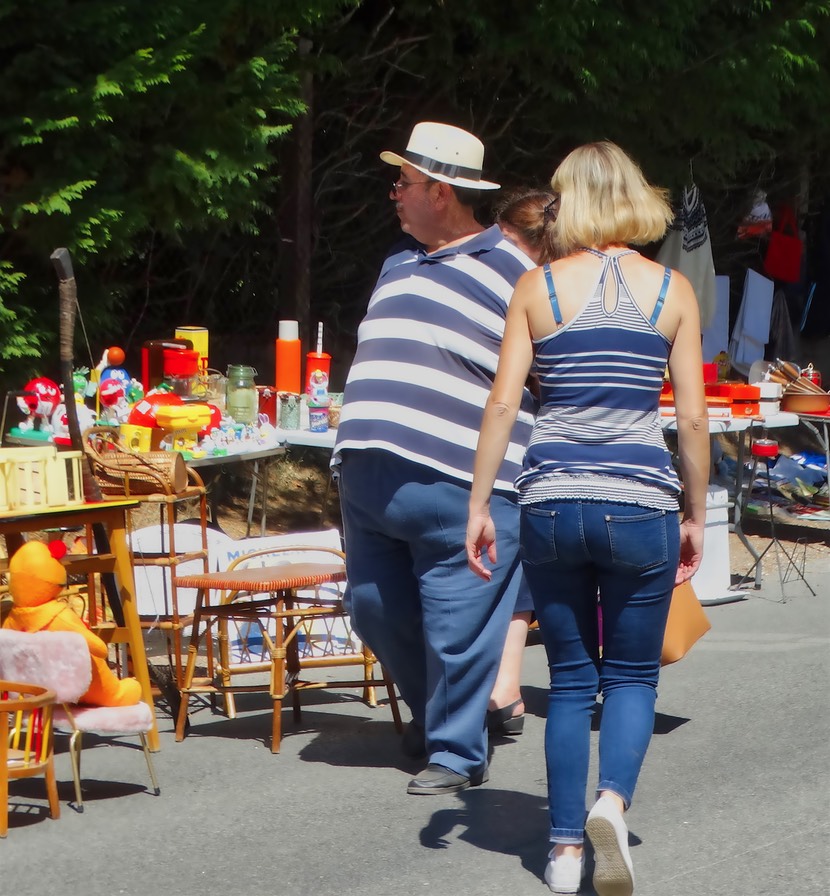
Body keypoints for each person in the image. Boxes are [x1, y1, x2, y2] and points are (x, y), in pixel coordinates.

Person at [466, 141, 709, 895]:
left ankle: (565, 848)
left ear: (570, 201)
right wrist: (696, 512)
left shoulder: (537, 287)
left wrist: (479, 503)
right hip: (639, 501)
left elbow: (504, 402)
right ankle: (611, 802)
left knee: (570, 680)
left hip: (550, 501)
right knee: (632, 676)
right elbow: (694, 421)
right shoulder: (673, 291)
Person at [332, 121, 537, 795]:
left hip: (458, 479)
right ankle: (447, 716)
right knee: (370, 608)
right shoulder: (398, 261)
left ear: (442, 192)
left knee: (457, 623)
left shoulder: (516, 271)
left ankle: (455, 749)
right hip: (368, 477)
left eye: (405, 183)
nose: (394, 194)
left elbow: (545, 377)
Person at [487, 188, 558, 736]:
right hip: (539, 439)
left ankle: (496, 684)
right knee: (518, 562)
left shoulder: (513, 281)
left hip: (502, 434)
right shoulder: (563, 286)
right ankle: (506, 685)